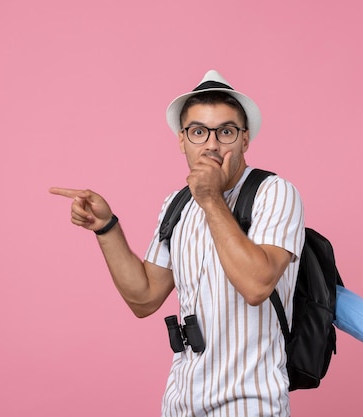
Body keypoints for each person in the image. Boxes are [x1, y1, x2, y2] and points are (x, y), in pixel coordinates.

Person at [50, 70, 305, 417]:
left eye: (226, 132)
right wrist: (107, 228)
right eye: (199, 132)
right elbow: (144, 298)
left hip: (250, 404)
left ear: (245, 140)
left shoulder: (274, 193)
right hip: (180, 402)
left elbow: (256, 285)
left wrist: (212, 199)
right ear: (182, 141)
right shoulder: (178, 203)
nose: (212, 144)